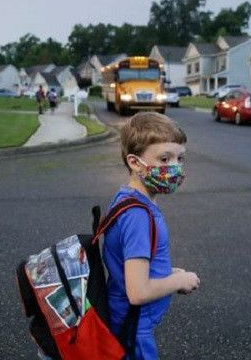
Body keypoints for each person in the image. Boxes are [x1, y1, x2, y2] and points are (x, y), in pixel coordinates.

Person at [104, 112, 200, 360]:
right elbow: (138, 292)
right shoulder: (138, 216)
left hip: (126, 321)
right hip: (134, 329)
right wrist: (180, 281)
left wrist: (169, 272)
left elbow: (135, 264)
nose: (175, 167)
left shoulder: (127, 199)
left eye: (180, 158)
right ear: (135, 163)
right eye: (164, 159)